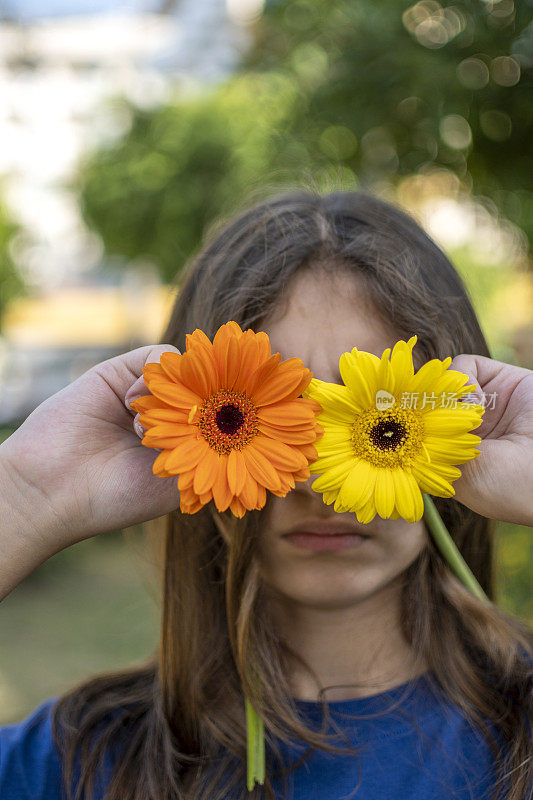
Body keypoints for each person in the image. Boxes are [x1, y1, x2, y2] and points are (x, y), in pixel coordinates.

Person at [0, 189, 532, 800]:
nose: (317, 481)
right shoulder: (78, 760)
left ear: (460, 418)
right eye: (285, 412)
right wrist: (20, 498)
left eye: (376, 416)